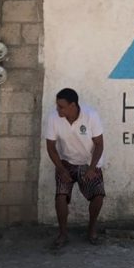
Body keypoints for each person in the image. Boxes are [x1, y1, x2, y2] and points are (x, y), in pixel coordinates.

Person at [44, 88, 105, 248]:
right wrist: (61, 170)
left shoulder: (91, 116)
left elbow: (99, 144)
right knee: (60, 197)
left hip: (88, 163)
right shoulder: (53, 118)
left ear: (73, 105)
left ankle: (92, 230)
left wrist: (92, 168)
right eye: (57, 106)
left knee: (98, 196)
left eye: (61, 106)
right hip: (66, 163)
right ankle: (63, 234)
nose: (58, 109)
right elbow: (51, 147)